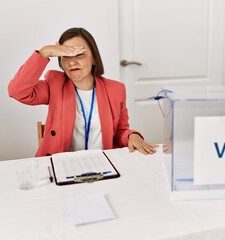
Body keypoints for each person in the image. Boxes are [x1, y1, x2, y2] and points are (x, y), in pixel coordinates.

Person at [8, 27, 157, 157]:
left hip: (102, 164)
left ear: (94, 59)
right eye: (66, 56)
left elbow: (120, 132)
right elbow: (17, 91)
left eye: (79, 54)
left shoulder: (116, 90)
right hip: (63, 165)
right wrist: (44, 52)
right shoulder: (54, 84)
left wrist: (132, 136)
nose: (72, 62)